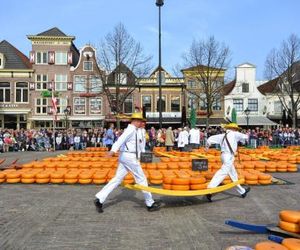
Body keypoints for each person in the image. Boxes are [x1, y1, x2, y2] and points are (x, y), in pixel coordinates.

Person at [94, 113, 161, 213]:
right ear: (135, 121)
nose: (141, 123)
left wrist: (142, 156)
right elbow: (120, 140)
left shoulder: (136, 130)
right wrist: (112, 151)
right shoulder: (130, 130)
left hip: (126, 157)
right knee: (141, 179)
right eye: (140, 121)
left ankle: (99, 199)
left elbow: (139, 144)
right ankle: (150, 203)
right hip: (130, 157)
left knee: (117, 179)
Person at [205, 123, 251, 202]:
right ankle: (210, 189)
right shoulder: (234, 133)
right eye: (236, 129)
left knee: (233, 175)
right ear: (233, 129)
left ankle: (242, 191)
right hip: (229, 156)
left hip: (223, 156)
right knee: (223, 172)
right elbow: (245, 137)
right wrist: (246, 135)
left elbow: (210, 139)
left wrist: (207, 147)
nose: (237, 130)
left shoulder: (222, 135)